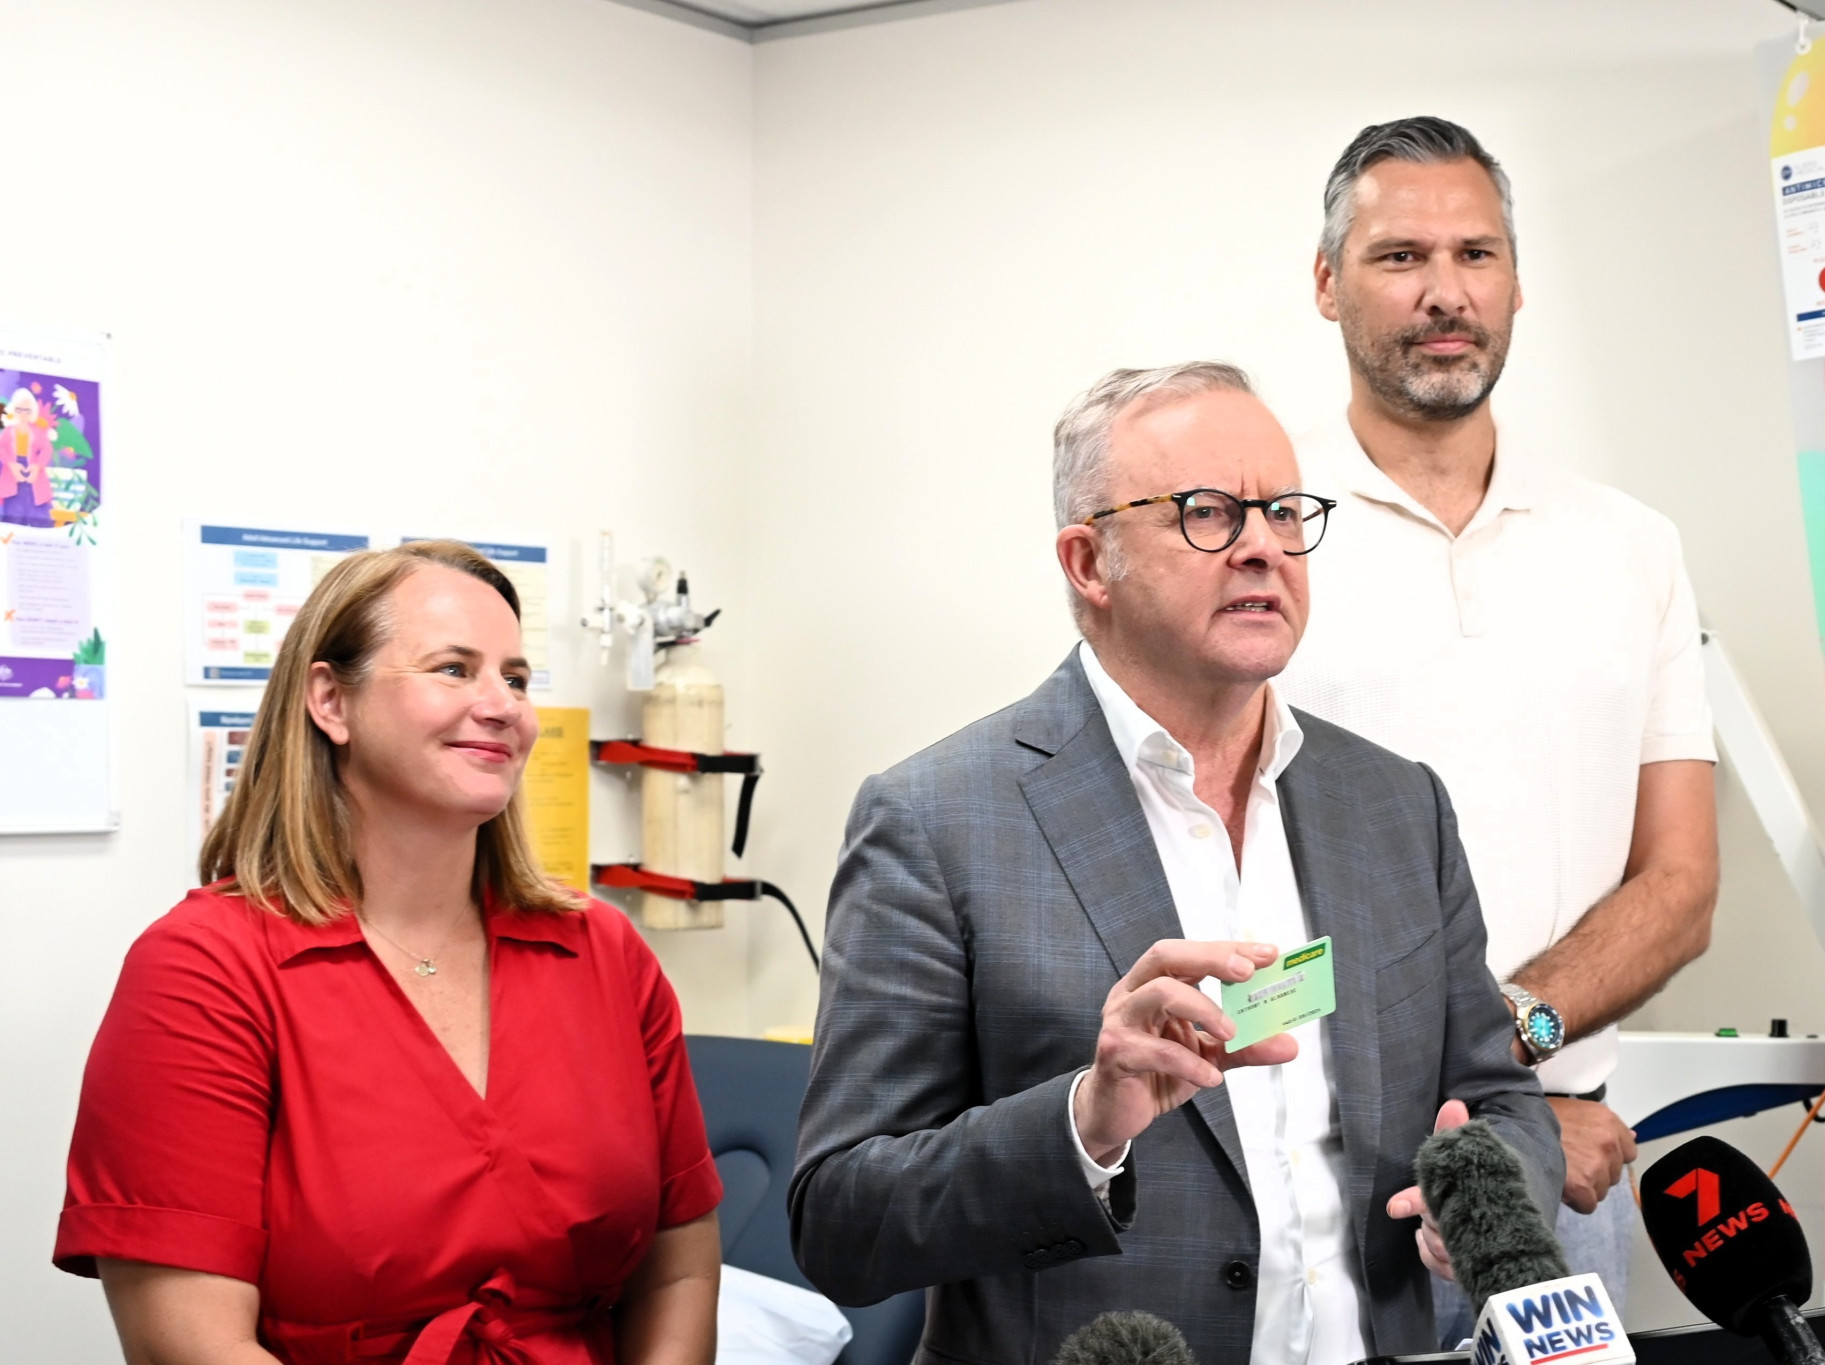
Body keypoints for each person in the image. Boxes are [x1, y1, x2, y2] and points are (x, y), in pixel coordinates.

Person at [790, 362, 1563, 1364]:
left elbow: (1497, 1097)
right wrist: (1082, 1125)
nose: (1259, 548)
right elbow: (840, 1221)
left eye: (1284, 512)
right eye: (1206, 513)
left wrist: (1486, 1188)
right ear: (1087, 562)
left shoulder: (1393, 807)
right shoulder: (935, 820)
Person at [55, 540, 723, 1365]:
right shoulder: (204, 971)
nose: (503, 706)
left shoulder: (603, 951)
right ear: (331, 701)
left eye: (515, 678)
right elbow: (185, 1344)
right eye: (453, 668)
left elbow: (680, 1262)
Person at [1280, 116, 1720, 1342]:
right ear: (1325, 284)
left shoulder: (1628, 546)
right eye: (1396, 256)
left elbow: (1679, 882)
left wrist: (1510, 1069)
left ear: (1516, 281)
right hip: (1299, 1165)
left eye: (1476, 255)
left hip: (1557, 1164)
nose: (1442, 294)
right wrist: (1479, 1094)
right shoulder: (1254, 531)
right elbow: (1196, 891)